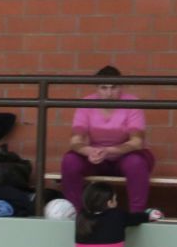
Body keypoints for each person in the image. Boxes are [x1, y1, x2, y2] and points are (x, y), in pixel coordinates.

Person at [61, 65, 156, 213]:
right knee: (70, 161)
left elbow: (137, 142)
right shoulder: (86, 103)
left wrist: (109, 151)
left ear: (121, 87)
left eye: (114, 87)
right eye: (104, 88)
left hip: (125, 156)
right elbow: (75, 141)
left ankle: (136, 215)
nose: (109, 93)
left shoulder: (132, 102)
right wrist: (89, 152)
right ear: (97, 88)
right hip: (97, 158)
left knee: (136, 163)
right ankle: (75, 214)